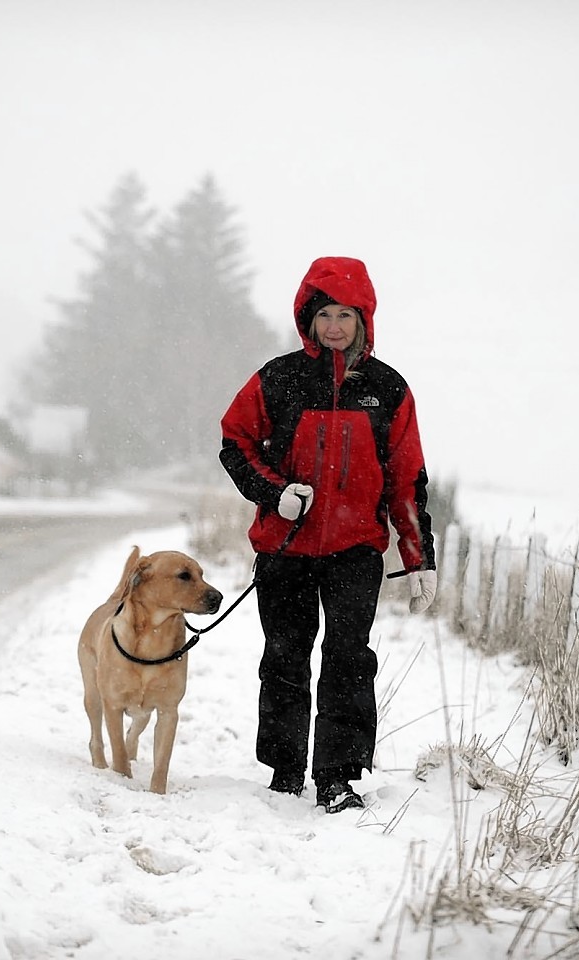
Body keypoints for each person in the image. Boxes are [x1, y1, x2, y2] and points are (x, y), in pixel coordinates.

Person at [219, 255, 437, 813]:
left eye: (346, 314)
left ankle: (337, 777)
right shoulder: (279, 378)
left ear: (363, 319)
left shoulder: (386, 389)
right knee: (285, 657)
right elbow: (234, 443)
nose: (334, 325)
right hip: (284, 549)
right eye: (324, 315)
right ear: (308, 320)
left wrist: (419, 560)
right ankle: (287, 770)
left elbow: (406, 478)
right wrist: (276, 493)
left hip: (355, 552)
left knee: (348, 658)